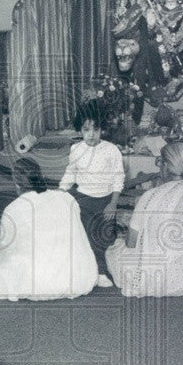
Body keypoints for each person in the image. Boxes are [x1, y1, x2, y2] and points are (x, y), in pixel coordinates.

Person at [106, 141, 183, 297]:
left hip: (158, 278)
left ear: (166, 166)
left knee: (114, 250)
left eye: (160, 162)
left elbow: (132, 243)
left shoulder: (149, 196)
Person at [0, 157, 98, 301]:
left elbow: (7, 248)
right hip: (75, 276)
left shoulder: (14, 208)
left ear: (16, 182)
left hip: (36, 281)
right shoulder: (66, 198)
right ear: (39, 175)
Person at [58, 100, 125, 287]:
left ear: (102, 130)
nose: (91, 135)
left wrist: (113, 203)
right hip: (82, 199)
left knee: (103, 236)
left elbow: (118, 179)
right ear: (80, 130)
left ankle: (102, 270)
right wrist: (59, 192)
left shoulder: (111, 150)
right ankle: (87, 270)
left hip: (104, 201)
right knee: (84, 236)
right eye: (86, 130)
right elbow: (70, 174)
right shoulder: (76, 149)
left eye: (96, 130)